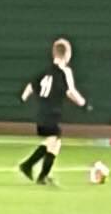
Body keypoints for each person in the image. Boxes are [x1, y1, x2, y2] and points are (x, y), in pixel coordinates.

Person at [18, 39, 86, 186]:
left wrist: (23, 98)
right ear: (67, 55)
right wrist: (83, 104)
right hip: (51, 113)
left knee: (54, 143)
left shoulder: (45, 72)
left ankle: (40, 174)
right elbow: (70, 91)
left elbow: (30, 86)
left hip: (42, 113)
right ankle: (30, 167)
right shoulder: (65, 72)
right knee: (53, 141)